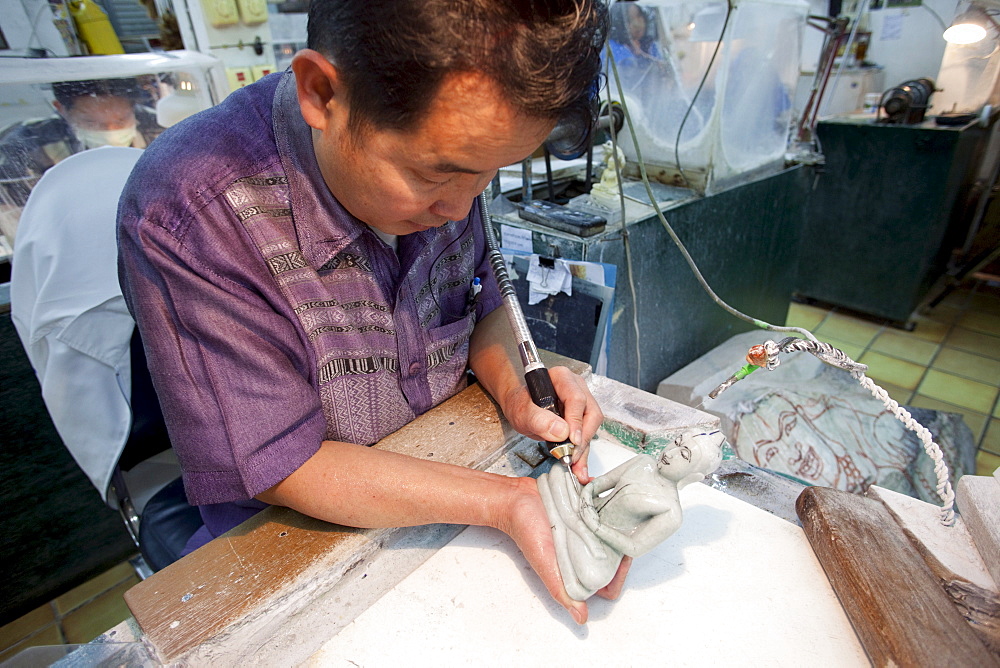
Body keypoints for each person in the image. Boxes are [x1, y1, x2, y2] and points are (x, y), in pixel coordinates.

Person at [118, 0, 622, 624]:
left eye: (488, 176)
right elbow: (285, 464)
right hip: (290, 547)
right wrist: (503, 502)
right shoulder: (192, 213)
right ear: (323, 94)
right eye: (435, 175)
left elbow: (484, 302)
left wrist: (521, 384)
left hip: (447, 475)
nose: (461, 207)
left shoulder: (451, 170)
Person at [538, 429, 725, 601]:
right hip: (585, 506)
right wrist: (587, 496)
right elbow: (602, 482)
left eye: (684, 455)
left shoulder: (671, 512)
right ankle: (568, 528)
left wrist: (596, 527)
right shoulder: (643, 462)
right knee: (559, 471)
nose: (669, 453)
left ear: (694, 476)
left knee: (594, 577)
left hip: (603, 542)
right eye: (676, 442)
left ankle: (563, 523)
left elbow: (635, 547)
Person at [0, 78, 162, 207]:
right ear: (61, 109)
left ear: (133, 107)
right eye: (92, 123)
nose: (110, 131)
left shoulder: (160, 129)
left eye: (121, 120)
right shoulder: (28, 148)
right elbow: (16, 210)